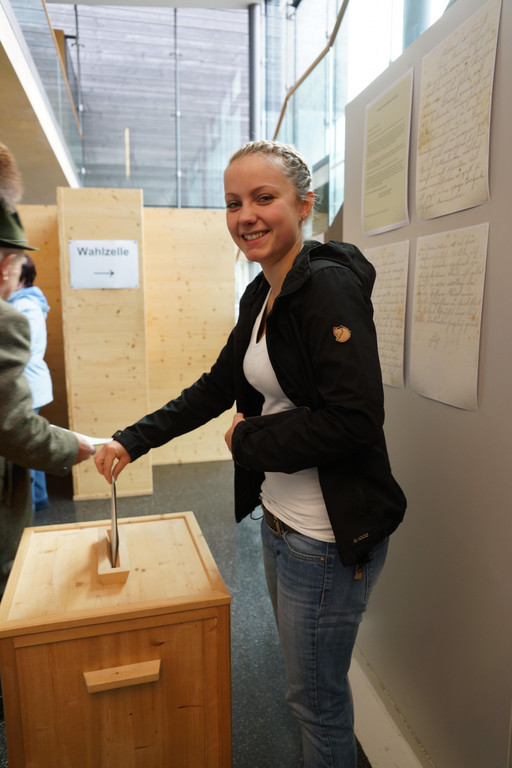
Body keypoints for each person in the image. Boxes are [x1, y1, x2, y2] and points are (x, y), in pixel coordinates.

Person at [94, 139, 406, 768]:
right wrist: (133, 438)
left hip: (326, 539)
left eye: (264, 198)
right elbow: (219, 385)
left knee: (315, 703)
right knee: (306, 693)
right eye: (233, 203)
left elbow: (355, 420)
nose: (246, 216)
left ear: (305, 205)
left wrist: (248, 441)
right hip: (281, 521)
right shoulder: (261, 293)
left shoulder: (327, 289)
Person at [0, 140, 95, 599]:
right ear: (8, 266)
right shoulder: (8, 320)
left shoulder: (26, 309)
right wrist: (76, 446)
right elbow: (16, 430)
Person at [7, 255, 53, 511]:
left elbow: (22, 349)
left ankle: (32, 505)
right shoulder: (20, 303)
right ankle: (39, 498)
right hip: (28, 383)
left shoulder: (26, 306)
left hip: (29, 385)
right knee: (31, 443)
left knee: (26, 445)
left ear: (21, 276)